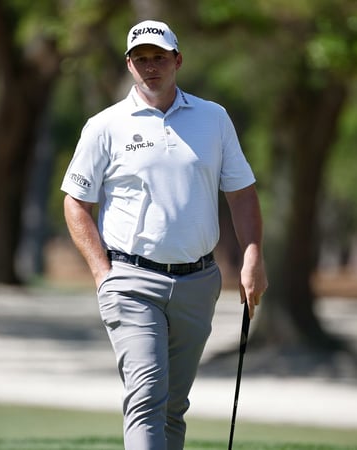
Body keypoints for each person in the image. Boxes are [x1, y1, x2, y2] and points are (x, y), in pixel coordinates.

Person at [61, 20, 268, 449]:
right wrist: (103, 274)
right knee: (147, 396)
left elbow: (242, 194)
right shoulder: (105, 125)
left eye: (158, 57)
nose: (150, 66)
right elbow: (76, 203)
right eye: (141, 59)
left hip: (199, 280)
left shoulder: (214, 119)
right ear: (129, 65)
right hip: (131, 281)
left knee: (173, 405)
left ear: (178, 60)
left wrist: (252, 256)